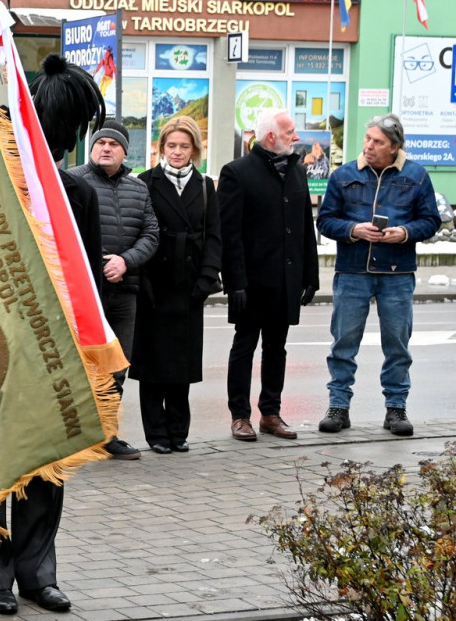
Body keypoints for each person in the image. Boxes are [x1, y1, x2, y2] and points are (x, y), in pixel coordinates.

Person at [0, 53, 103, 617]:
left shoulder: (78, 196)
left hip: (55, 357)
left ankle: (36, 572)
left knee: (47, 465)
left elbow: (90, 282)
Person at [316, 114, 439, 437]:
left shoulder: (416, 176)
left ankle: (396, 409)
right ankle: (338, 407)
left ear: (394, 146)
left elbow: (430, 221)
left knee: (397, 345)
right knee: (343, 343)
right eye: (367, 139)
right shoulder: (343, 175)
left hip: (397, 273)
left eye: (377, 142)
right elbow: (325, 220)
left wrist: (404, 232)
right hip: (352, 269)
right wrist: (353, 229)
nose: (368, 146)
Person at [219, 109, 318, 442]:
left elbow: (306, 227)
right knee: (244, 346)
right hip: (251, 282)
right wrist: (235, 281)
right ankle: (240, 416)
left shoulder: (296, 172)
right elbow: (228, 234)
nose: (296, 137)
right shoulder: (237, 172)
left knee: (277, 348)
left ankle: (270, 413)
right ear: (271, 136)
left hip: (286, 280)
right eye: (290, 131)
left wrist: (310, 276)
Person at [131, 116, 221, 454]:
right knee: (153, 364)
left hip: (189, 286)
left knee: (181, 364)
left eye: (184, 146)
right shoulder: (145, 182)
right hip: (154, 284)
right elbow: (136, 231)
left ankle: (178, 431)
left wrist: (206, 278)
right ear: (161, 147)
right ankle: (155, 432)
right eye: (172, 146)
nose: (178, 152)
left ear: (195, 149)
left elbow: (214, 236)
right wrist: (141, 278)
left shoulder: (204, 186)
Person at [68, 119, 157, 461]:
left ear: (124, 151)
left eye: (114, 144)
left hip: (124, 291)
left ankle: (107, 435)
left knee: (115, 368)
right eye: (100, 142)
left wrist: (125, 261)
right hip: (82, 293)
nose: (106, 148)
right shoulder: (73, 181)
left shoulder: (138, 188)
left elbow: (151, 235)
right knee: (80, 366)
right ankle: (73, 435)